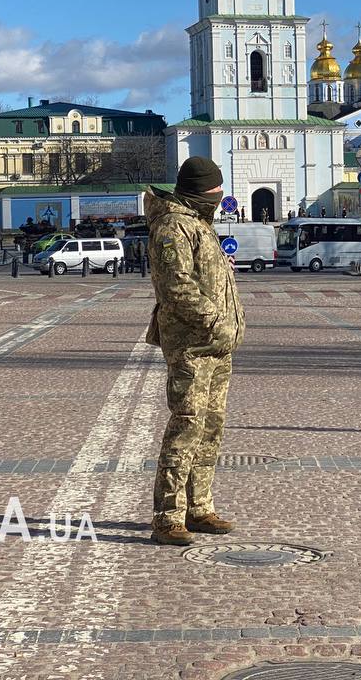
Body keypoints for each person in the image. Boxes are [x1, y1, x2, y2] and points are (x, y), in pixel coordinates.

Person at [144, 157, 246, 546]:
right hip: (192, 344)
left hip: (216, 346)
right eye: (216, 190)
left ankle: (198, 506)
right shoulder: (173, 227)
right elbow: (176, 288)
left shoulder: (200, 223)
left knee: (211, 427)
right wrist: (215, 321)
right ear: (202, 191)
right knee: (186, 424)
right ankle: (168, 515)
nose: (221, 196)